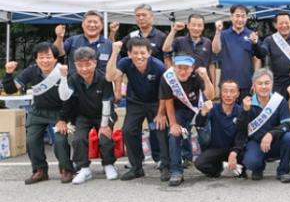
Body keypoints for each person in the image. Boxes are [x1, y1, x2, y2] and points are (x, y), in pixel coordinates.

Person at [3, 43, 72, 184]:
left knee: (60, 141)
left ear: (55, 59)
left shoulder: (63, 71)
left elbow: (70, 99)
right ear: (36, 59)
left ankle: (66, 169)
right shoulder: (31, 71)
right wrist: (9, 73)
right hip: (37, 112)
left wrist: (63, 119)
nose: (45, 60)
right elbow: (11, 90)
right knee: (32, 140)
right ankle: (40, 171)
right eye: (41, 57)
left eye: (48, 57)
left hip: (60, 112)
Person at [106, 38, 169, 181]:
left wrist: (161, 113)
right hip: (135, 102)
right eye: (135, 53)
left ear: (149, 53)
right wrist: (114, 53)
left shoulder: (158, 66)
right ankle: (136, 167)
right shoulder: (125, 62)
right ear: (129, 54)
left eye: (143, 53)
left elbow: (166, 92)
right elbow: (110, 76)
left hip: (156, 102)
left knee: (161, 131)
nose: (139, 56)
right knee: (128, 131)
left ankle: (166, 166)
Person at [61, 47, 118, 184]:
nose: (84, 69)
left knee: (105, 138)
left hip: (104, 114)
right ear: (75, 65)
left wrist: (104, 125)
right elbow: (64, 96)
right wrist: (63, 78)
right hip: (83, 115)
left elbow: (107, 102)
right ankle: (84, 169)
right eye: (80, 65)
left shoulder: (104, 78)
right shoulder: (73, 78)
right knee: (78, 139)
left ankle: (108, 164)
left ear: (95, 63)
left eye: (88, 64)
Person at [159, 54, 215, 186]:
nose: (183, 71)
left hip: (199, 108)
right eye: (179, 68)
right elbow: (168, 102)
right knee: (174, 135)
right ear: (174, 67)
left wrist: (206, 78)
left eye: (186, 68)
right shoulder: (168, 77)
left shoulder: (198, 75)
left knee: (206, 138)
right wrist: (173, 124)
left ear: (192, 68)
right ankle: (176, 171)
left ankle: (209, 165)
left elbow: (211, 96)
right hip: (179, 110)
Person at [239, 68, 290, 183]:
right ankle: (259, 167)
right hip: (256, 142)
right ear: (254, 86)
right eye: (260, 83)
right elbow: (241, 129)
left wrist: (271, 134)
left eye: (267, 83)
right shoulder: (247, 103)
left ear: (272, 84)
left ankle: (283, 171)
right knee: (251, 162)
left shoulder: (279, 101)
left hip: (275, 142)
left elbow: (287, 123)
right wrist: (245, 111)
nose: (264, 86)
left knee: (289, 137)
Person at [193, 80, 247, 178]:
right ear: (220, 93)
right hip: (216, 149)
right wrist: (203, 112)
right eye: (225, 91)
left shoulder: (241, 112)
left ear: (238, 94)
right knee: (199, 163)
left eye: (232, 91)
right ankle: (218, 169)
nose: (228, 95)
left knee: (249, 158)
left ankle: (239, 168)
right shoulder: (213, 108)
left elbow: (242, 136)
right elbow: (199, 124)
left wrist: (234, 152)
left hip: (234, 150)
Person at [212, 5, 260, 98]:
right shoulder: (223, 34)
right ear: (231, 17)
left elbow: (257, 59)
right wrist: (217, 32)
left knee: (246, 107)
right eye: (237, 16)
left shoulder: (252, 35)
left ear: (246, 18)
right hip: (227, 85)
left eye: (243, 16)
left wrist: (256, 79)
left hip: (246, 84)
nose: (240, 19)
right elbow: (215, 50)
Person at [254, 12, 290, 95]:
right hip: (277, 83)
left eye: (287, 23)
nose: (284, 25)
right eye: (281, 23)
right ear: (275, 25)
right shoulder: (269, 40)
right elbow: (261, 54)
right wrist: (256, 43)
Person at [54, 10, 112, 75]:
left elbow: (115, 70)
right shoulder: (72, 41)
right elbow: (57, 53)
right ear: (83, 24)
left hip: (101, 81)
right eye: (89, 22)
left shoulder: (109, 45)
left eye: (95, 22)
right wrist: (59, 37)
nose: (92, 25)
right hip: (74, 81)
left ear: (102, 25)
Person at [163, 14, 216, 81]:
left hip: (202, 81)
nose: (196, 28)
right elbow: (165, 49)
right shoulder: (179, 41)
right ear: (188, 25)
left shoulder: (207, 42)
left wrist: (213, 84)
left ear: (203, 27)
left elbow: (211, 65)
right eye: (193, 25)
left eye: (199, 25)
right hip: (183, 81)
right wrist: (174, 30)